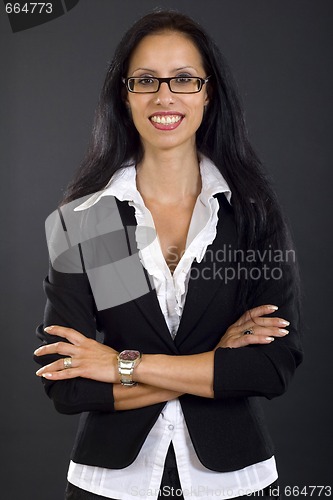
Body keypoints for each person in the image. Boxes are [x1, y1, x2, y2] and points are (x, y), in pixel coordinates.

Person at [34, 9, 302, 500]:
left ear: (208, 92)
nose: (165, 96)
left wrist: (120, 366)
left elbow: (270, 367)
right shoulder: (92, 219)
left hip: (236, 481)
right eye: (145, 80)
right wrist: (215, 362)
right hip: (109, 485)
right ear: (125, 92)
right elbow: (68, 384)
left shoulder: (250, 216)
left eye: (183, 79)